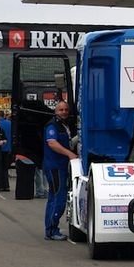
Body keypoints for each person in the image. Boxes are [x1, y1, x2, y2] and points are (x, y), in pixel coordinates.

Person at [42, 101, 77, 241]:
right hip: (55, 167)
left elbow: (66, 142)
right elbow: (52, 143)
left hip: (61, 166)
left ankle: (50, 228)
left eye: (66, 109)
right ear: (55, 111)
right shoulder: (52, 125)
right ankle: (52, 230)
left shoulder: (65, 125)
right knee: (58, 198)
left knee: (53, 197)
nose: (64, 112)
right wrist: (69, 153)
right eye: (61, 109)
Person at [0, 111, 12, 191]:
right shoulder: (10, 123)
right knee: (5, 168)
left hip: (0, 148)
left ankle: (0, 185)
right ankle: (6, 185)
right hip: (8, 148)